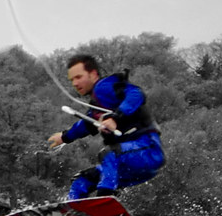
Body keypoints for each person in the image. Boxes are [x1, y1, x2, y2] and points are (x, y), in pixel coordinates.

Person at [47, 54, 165, 200]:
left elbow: (136, 93)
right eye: (72, 80)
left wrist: (116, 116)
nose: (75, 83)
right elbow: (85, 125)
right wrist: (64, 137)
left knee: (109, 153)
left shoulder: (104, 87)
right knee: (81, 181)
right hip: (125, 163)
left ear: (93, 74)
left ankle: (104, 202)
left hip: (148, 152)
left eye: (78, 77)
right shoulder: (97, 105)